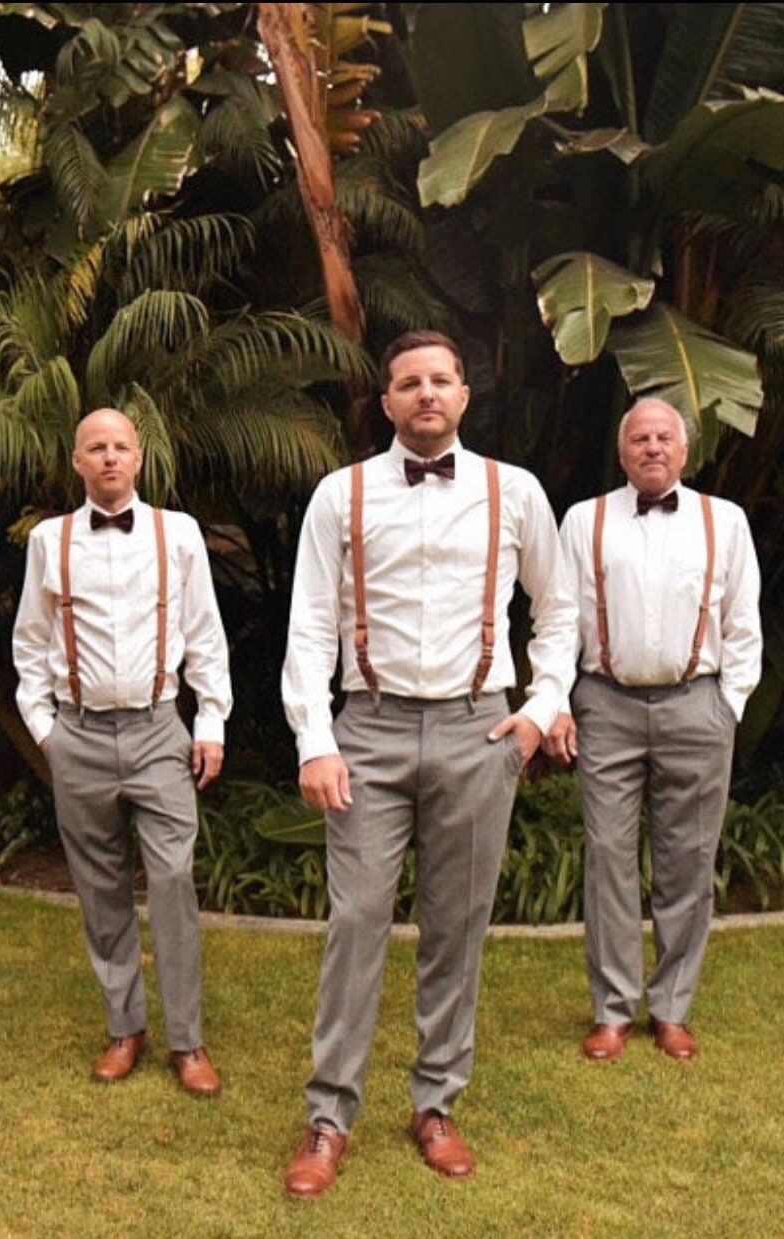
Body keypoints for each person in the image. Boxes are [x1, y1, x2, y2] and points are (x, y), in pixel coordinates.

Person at [279, 330, 573, 1197]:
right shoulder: (343, 494)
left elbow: (558, 610)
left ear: (465, 393)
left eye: (441, 379)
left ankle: (436, 1099)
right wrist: (316, 739)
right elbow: (308, 625)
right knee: (357, 918)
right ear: (387, 402)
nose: (425, 394)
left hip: (479, 730)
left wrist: (537, 711)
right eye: (408, 383)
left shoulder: (513, 492)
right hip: (365, 728)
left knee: (456, 925)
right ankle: (330, 1114)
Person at [12, 408, 231, 1097]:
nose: (109, 458)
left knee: (171, 880)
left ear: (139, 458)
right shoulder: (50, 540)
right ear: (76, 461)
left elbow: (204, 633)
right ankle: (123, 1026)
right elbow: (30, 641)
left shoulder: (180, 533)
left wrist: (212, 722)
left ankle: (187, 1040)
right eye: (95, 448)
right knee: (100, 887)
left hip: (158, 730)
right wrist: (45, 728)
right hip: (76, 734)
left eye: (120, 447)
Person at [543, 397, 762, 1063]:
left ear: (685, 450)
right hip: (605, 704)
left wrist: (730, 703)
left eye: (665, 436)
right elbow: (560, 617)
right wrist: (555, 699)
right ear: (622, 451)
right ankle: (612, 1009)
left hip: (697, 703)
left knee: (688, 860)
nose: (653, 447)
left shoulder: (724, 520)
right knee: (608, 856)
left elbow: (743, 621)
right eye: (640, 437)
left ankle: (671, 1007)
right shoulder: (585, 519)